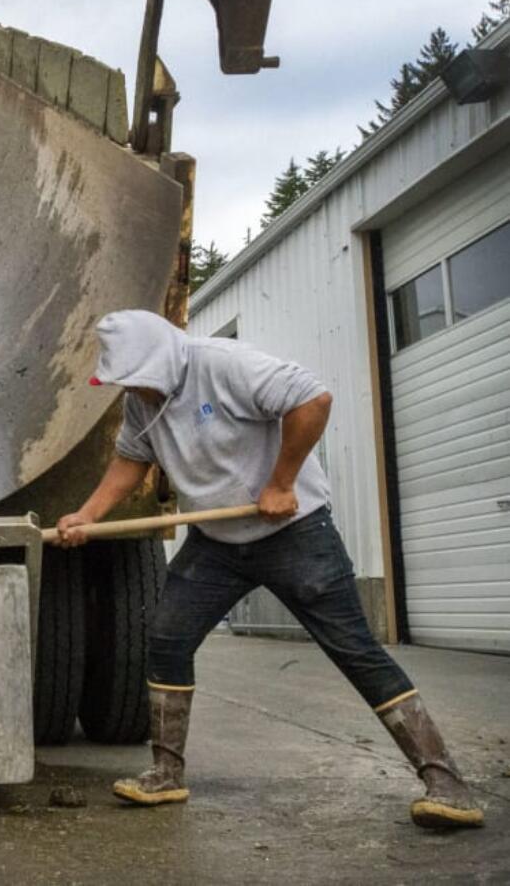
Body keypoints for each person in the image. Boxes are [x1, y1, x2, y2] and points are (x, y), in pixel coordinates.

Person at [55, 309, 483, 829]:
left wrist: (281, 482)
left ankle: (446, 782)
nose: (135, 389)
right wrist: (87, 515)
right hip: (216, 544)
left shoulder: (224, 364)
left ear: (163, 359)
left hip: (295, 534)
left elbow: (312, 399)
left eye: (140, 378)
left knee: (355, 649)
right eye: (126, 381)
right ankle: (166, 773)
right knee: (166, 638)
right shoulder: (141, 403)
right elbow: (130, 461)